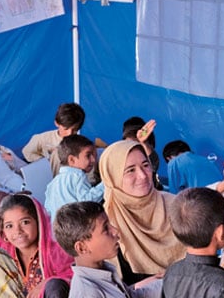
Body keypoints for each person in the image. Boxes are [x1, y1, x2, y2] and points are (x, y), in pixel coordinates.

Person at [99, 140, 185, 285]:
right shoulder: (103, 223)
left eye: (146, 166)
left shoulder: (176, 205)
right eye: (130, 170)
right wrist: (136, 291)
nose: (143, 175)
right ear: (112, 176)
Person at [44, 134, 103, 219]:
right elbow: (88, 200)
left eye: (94, 155)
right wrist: (105, 184)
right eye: (88, 155)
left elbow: (48, 210)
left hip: (58, 228)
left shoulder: (53, 183)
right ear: (72, 160)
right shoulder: (78, 176)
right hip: (76, 226)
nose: (93, 160)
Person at [22, 102, 86, 177]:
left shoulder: (81, 144)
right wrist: (44, 162)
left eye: (75, 130)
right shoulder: (43, 138)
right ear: (56, 123)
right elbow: (26, 152)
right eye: (66, 129)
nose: (70, 133)